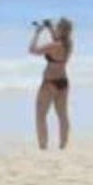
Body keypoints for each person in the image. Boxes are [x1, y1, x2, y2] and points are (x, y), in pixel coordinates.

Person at [28, 18, 73, 150]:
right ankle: (63, 145)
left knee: (40, 115)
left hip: (50, 83)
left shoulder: (54, 46)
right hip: (63, 82)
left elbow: (32, 50)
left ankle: (43, 146)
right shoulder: (68, 43)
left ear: (61, 30)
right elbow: (57, 38)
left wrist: (37, 33)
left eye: (58, 27)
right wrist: (50, 27)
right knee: (62, 115)